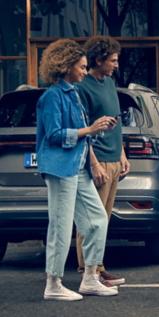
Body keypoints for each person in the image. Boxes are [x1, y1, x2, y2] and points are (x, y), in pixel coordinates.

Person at [36, 39, 118, 301]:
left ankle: (91, 278)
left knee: (96, 220)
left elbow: (81, 134)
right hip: (61, 169)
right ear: (66, 66)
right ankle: (53, 283)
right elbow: (55, 136)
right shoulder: (51, 96)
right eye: (81, 67)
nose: (85, 71)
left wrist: (98, 129)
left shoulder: (72, 93)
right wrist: (90, 129)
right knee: (60, 226)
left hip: (78, 166)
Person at [74, 36, 128, 285]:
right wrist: (94, 163)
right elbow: (82, 128)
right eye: (113, 60)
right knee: (91, 219)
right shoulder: (82, 87)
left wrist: (122, 154)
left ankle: (98, 266)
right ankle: (88, 270)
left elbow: (115, 123)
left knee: (104, 219)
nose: (116, 64)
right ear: (99, 59)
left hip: (113, 160)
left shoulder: (109, 83)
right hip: (98, 162)